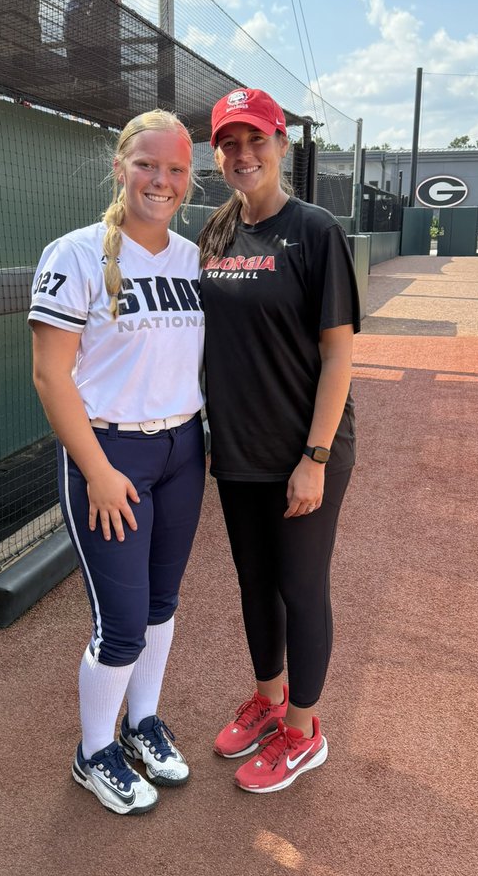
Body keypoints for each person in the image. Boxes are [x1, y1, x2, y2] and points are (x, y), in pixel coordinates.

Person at [29, 111, 205, 816]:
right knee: (122, 623)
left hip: (184, 447)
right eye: (148, 166)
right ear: (120, 167)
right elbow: (50, 376)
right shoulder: (72, 254)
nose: (161, 181)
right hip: (111, 454)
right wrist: (98, 470)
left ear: (190, 181)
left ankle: (141, 724)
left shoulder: (193, 259)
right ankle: (92, 749)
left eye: (175, 170)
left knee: (163, 605)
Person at [198, 87, 360, 794]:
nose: (243, 154)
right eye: (229, 143)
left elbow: (339, 355)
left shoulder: (315, 229)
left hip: (304, 450)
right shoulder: (213, 233)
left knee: (300, 587)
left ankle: (303, 730)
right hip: (238, 451)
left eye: (255, 140)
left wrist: (315, 457)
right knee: (254, 585)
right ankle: (267, 701)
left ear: (281, 144)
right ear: (217, 153)